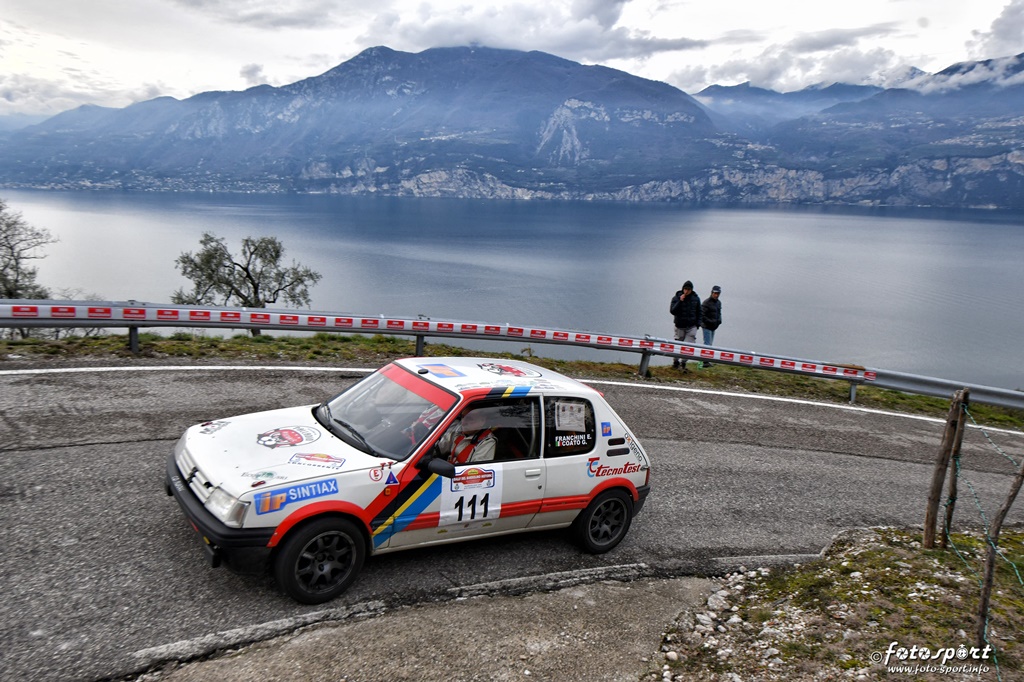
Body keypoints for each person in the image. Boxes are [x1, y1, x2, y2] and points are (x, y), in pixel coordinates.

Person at [669, 280, 701, 371]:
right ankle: (676, 361)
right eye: (685, 289)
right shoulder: (676, 298)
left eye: (688, 289)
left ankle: (683, 363)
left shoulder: (696, 299)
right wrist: (680, 301)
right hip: (679, 326)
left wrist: (698, 324)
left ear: (691, 290)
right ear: (682, 289)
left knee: (688, 345)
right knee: (678, 343)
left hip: (691, 327)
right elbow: (672, 311)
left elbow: (699, 312)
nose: (686, 291)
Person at [699, 285, 722, 368]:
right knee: (707, 344)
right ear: (712, 293)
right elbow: (702, 315)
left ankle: (706, 360)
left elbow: (719, 313)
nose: (716, 295)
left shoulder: (718, 303)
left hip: (713, 327)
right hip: (706, 326)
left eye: (718, 293)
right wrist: (709, 322)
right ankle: (705, 361)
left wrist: (719, 321)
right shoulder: (706, 302)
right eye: (715, 293)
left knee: (710, 343)